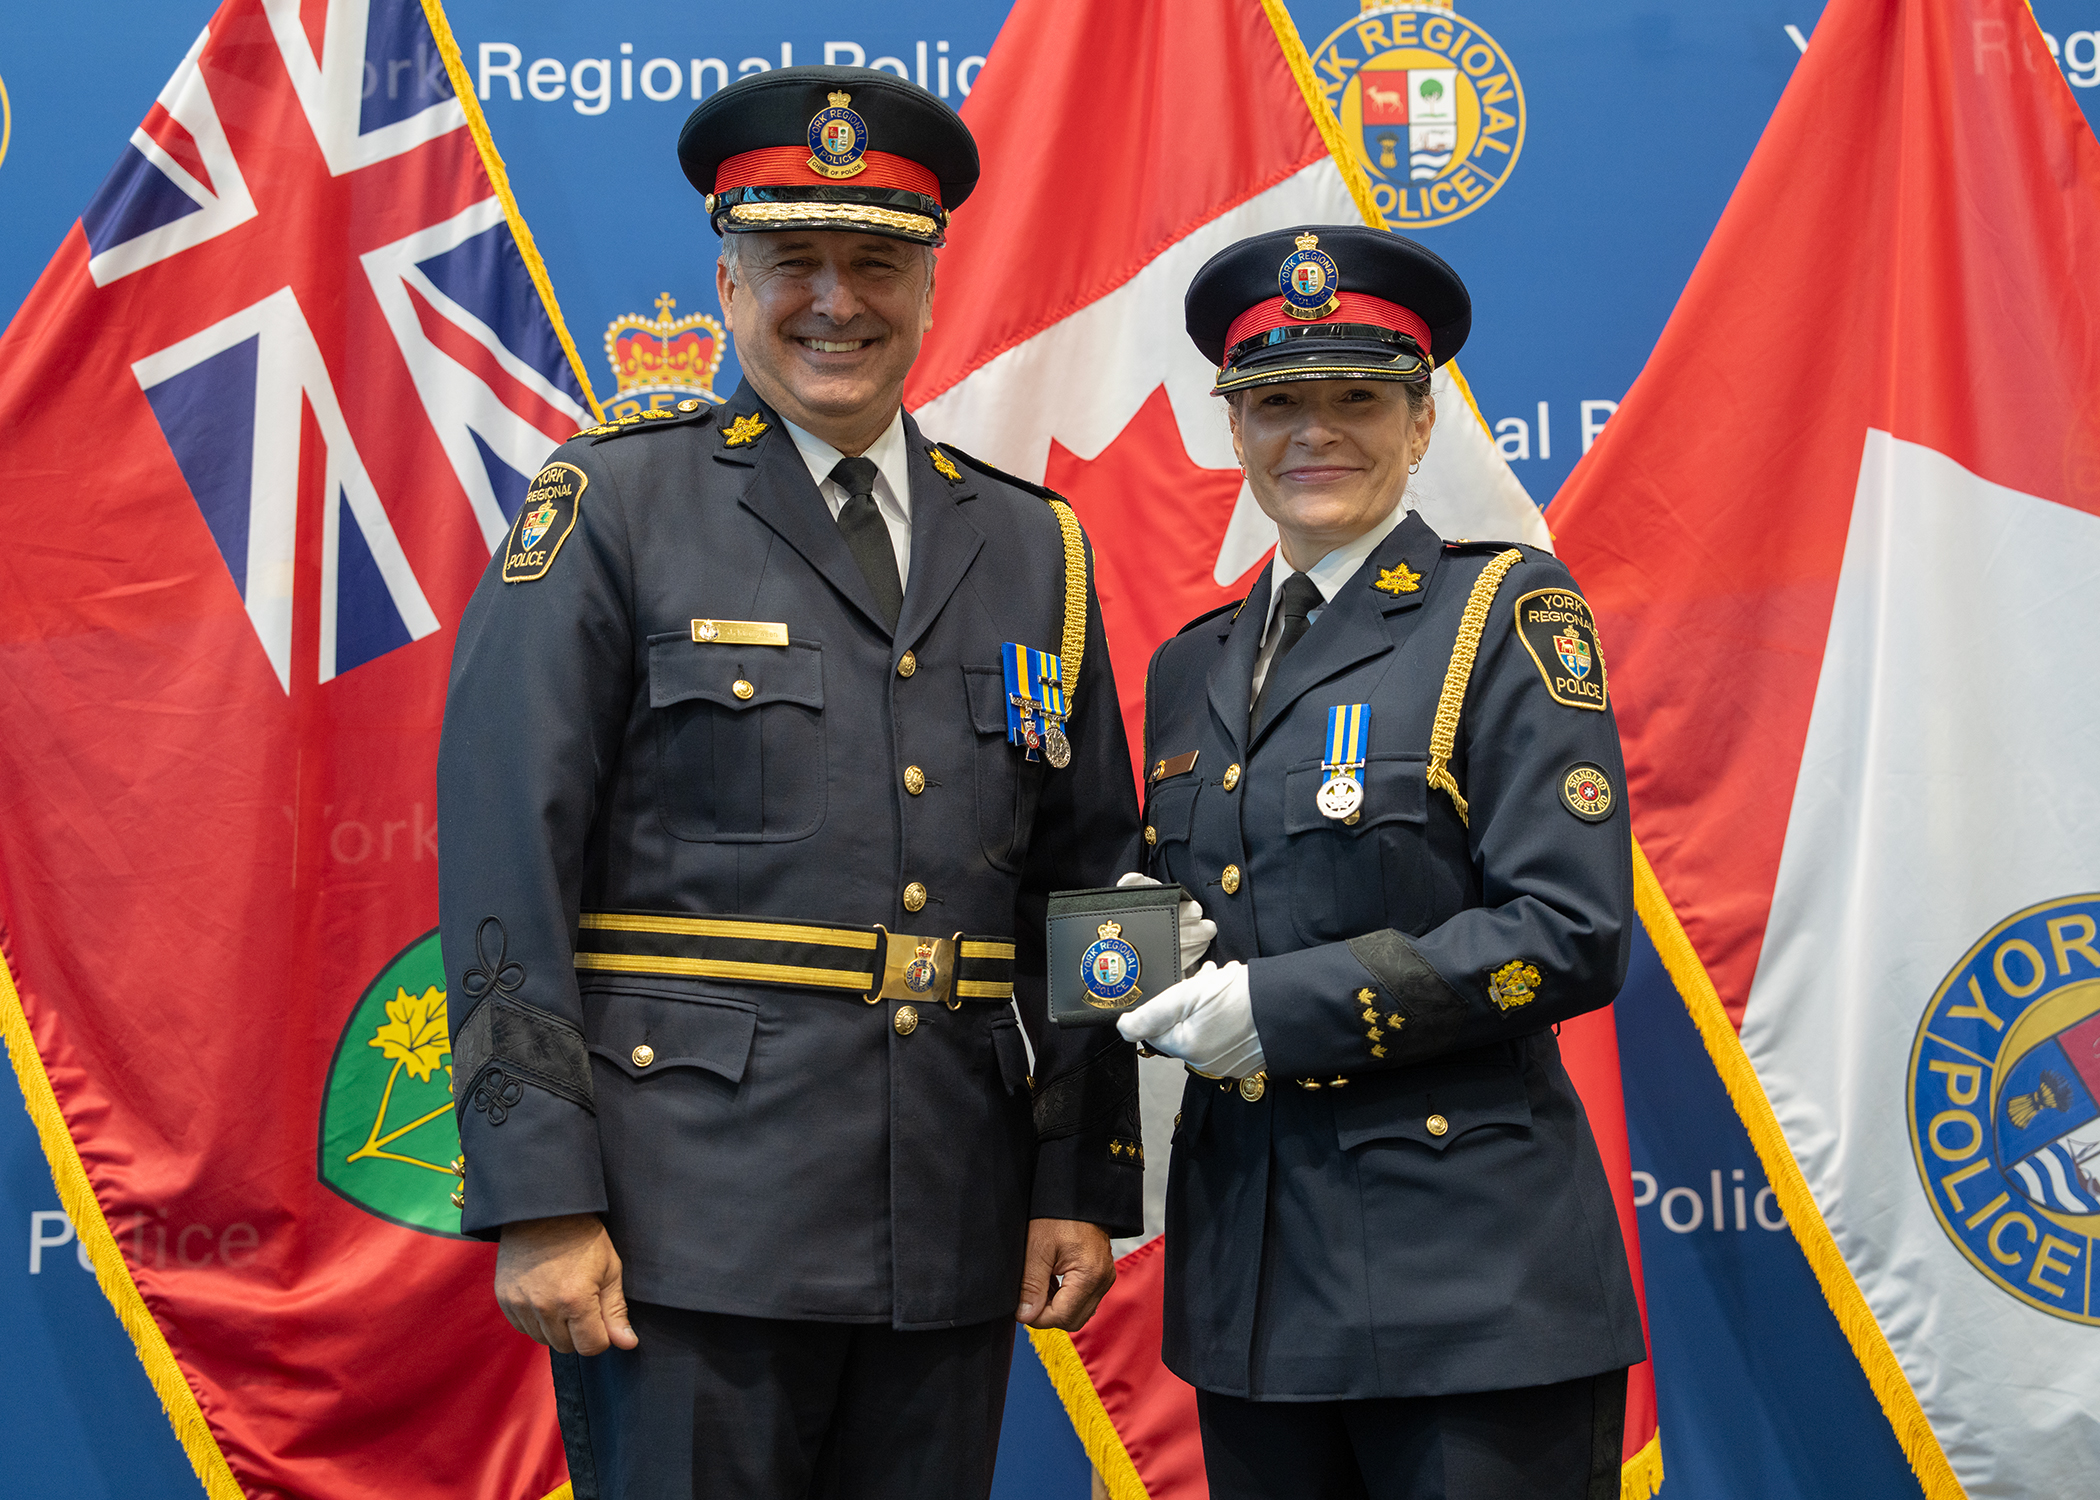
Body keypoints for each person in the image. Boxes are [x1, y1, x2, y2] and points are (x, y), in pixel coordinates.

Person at [436, 66, 1146, 1499]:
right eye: (792, 263)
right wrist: (539, 1196)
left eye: (876, 262)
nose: (837, 301)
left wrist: (1080, 1176)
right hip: (683, 1224)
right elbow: (509, 853)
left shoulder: (1033, 550)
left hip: (948, 1215)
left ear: (932, 284)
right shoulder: (614, 505)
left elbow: (1092, 893)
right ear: (725, 280)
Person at [1115, 225, 1647, 1500]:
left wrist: (1276, 1009)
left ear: (1419, 427)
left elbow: (1569, 931)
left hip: (1468, 1295)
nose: (1316, 434)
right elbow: (1173, 917)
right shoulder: (1189, 664)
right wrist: (1112, 954)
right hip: (1249, 1296)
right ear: (1234, 432)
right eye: (1277, 403)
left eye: (1359, 400)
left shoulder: (1504, 614)